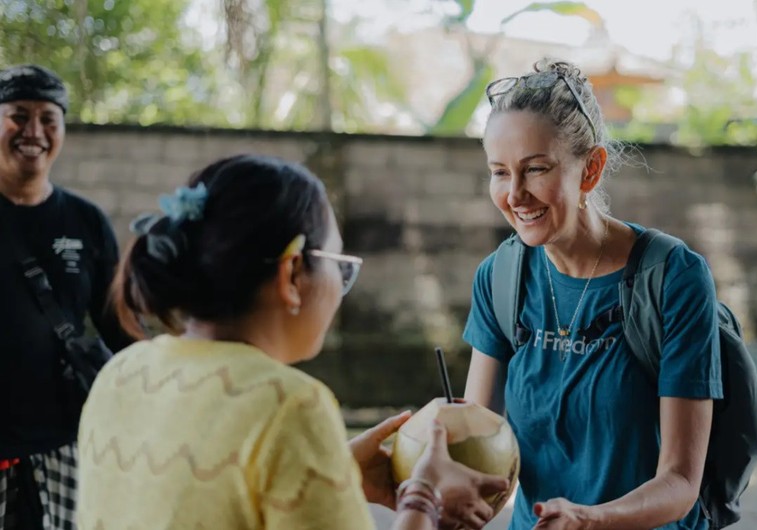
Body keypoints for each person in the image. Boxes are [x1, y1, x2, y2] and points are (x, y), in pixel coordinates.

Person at [75, 154, 509, 530]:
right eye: (338, 266)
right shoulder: (288, 406)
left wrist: (332, 472)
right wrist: (423, 497)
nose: (341, 288)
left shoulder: (121, 373)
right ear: (292, 273)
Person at [462, 59, 722, 530]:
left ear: (591, 169)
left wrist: (590, 520)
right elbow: (479, 448)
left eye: (535, 169)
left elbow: (682, 481)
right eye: (499, 172)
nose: (515, 194)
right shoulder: (499, 278)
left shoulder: (673, 277)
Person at [0, 64, 131, 529]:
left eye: (48, 119)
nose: (33, 131)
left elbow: (119, 322)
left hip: (61, 441)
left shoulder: (86, 220)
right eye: (18, 115)